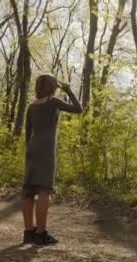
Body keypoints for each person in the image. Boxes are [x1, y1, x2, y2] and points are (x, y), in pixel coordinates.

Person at [22, 74, 82, 245]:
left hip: (32, 149)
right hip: (46, 150)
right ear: (53, 87)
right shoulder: (53, 102)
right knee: (43, 191)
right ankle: (40, 233)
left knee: (28, 191)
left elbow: (27, 133)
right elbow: (78, 109)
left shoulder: (31, 106)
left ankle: (28, 232)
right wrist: (69, 90)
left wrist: (30, 149)